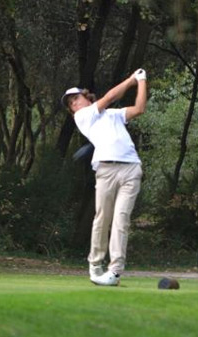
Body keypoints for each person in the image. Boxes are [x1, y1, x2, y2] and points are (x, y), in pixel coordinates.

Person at [62, 69, 147, 286]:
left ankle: (115, 271)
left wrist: (142, 80)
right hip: (106, 170)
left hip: (131, 169)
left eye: (76, 98)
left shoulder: (114, 114)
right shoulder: (83, 117)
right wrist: (131, 80)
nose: (75, 104)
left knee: (121, 219)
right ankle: (95, 264)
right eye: (71, 103)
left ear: (85, 96)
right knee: (103, 217)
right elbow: (109, 97)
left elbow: (139, 109)